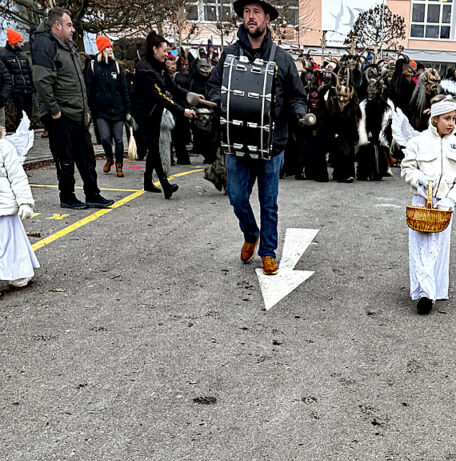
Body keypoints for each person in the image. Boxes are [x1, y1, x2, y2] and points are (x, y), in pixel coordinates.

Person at [208, 0, 307, 274]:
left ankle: (268, 252)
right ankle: (251, 234)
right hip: (236, 141)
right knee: (236, 196)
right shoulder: (229, 55)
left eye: (257, 12)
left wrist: (300, 113)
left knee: (269, 203)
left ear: (267, 18)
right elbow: (214, 85)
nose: (251, 17)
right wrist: (220, 101)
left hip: (271, 144)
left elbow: (297, 96)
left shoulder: (282, 59)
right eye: (247, 12)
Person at [31, 7, 113, 210]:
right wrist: (55, 111)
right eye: (69, 25)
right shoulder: (45, 45)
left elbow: (76, 81)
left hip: (77, 112)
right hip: (62, 114)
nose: (73, 29)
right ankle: (67, 196)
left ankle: (93, 194)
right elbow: (42, 82)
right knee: (65, 158)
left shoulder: (67, 46)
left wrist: (85, 110)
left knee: (86, 156)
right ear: (56, 26)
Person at [400, 95, 456, 315]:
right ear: (435, 119)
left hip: (444, 204)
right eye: (446, 118)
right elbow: (407, 169)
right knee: (420, 248)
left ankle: (433, 290)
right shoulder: (418, 142)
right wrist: (419, 179)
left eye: (453, 118)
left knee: (437, 249)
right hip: (422, 201)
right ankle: (425, 294)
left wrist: (450, 200)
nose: (451, 123)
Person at [132, 31, 197, 199]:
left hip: (155, 111)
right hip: (144, 113)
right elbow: (159, 96)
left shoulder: (159, 66)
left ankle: (148, 180)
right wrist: (182, 111)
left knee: (153, 147)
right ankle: (165, 185)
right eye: (164, 50)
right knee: (154, 147)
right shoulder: (144, 68)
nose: (167, 54)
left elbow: (172, 87)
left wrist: (190, 95)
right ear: (155, 49)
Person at [0, 117, 38, 288]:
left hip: (4, 205)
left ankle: (19, 271)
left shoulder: (4, 147)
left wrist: (24, 202)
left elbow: (17, 176)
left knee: (11, 242)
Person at [86, 35, 130, 177]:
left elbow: (124, 89)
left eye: (110, 47)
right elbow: (89, 89)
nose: (110, 50)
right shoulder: (93, 66)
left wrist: (127, 109)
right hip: (101, 111)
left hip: (118, 110)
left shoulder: (116, 66)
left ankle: (119, 165)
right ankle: (109, 158)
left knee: (118, 139)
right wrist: (90, 109)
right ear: (101, 49)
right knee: (105, 138)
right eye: (107, 47)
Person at [1, 29, 35, 130]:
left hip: (27, 89)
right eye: (20, 41)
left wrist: (32, 86)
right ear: (13, 42)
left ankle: (27, 133)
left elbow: (29, 72)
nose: (22, 43)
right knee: (19, 113)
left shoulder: (23, 56)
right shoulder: (3, 56)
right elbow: (4, 75)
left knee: (28, 113)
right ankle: (20, 134)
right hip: (15, 90)